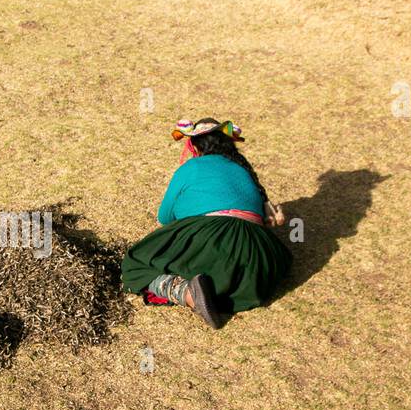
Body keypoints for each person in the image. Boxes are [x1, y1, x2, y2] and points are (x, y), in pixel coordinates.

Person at [121, 118, 291, 328]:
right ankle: (216, 291)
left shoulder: (191, 167)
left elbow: (164, 218)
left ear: (195, 145)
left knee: (136, 261)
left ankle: (188, 293)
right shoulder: (244, 171)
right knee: (228, 275)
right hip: (260, 258)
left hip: (211, 237)